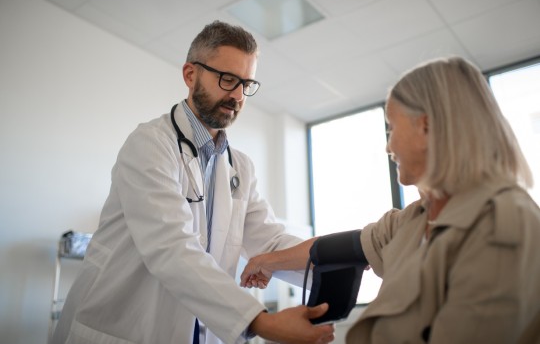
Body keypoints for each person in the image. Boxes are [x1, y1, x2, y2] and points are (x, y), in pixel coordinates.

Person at [52, 20, 334, 344]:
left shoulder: (239, 166)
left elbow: (269, 242)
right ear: (190, 74)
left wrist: (344, 257)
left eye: (247, 84)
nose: (238, 95)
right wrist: (261, 322)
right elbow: (172, 247)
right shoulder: (150, 145)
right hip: (121, 330)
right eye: (228, 79)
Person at [241, 56, 540, 343]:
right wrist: (266, 261)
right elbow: (335, 249)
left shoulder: (502, 226)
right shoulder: (415, 219)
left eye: (392, 128)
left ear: (426, 126)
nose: (388, 146)